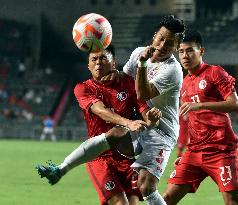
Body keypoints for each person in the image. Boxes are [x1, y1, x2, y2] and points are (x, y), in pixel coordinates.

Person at [37, 15, 185, 205]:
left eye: (170, 42)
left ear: (176, 46)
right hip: (138, 124)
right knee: (117, 132)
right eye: (161, 38)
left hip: (161, 132)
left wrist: (141, 64)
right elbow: (125, 81)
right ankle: (62, 168)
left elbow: (142, 93)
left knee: (146, 186)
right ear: (155, 35)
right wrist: (112, 74)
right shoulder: (138, 53)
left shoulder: (173, 70)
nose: (163, 44)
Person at [162, 29, 238, 205]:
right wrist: (186, 154)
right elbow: (194, 121)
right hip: (194, 152)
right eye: (182, 51)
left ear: (201, 51)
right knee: (167, 198)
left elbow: (235, 104)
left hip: (221, 151)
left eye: (190, 50)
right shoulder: (184, 83)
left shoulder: (215, 72)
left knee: (233, 202)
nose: (185, 55)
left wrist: (200, 104)